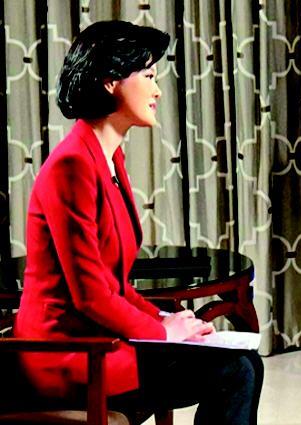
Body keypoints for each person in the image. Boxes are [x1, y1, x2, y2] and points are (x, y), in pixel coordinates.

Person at [13, 20, 263, 424]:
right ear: (111, 82)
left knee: (244, 363)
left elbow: (114, 285)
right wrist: (163, 334)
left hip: (99, 341)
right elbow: (91, 296)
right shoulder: (72, 166)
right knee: (236, 371)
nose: (157, 90)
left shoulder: (108, 157)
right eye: (148, 76)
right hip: (68, 355)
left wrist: (164, 319)